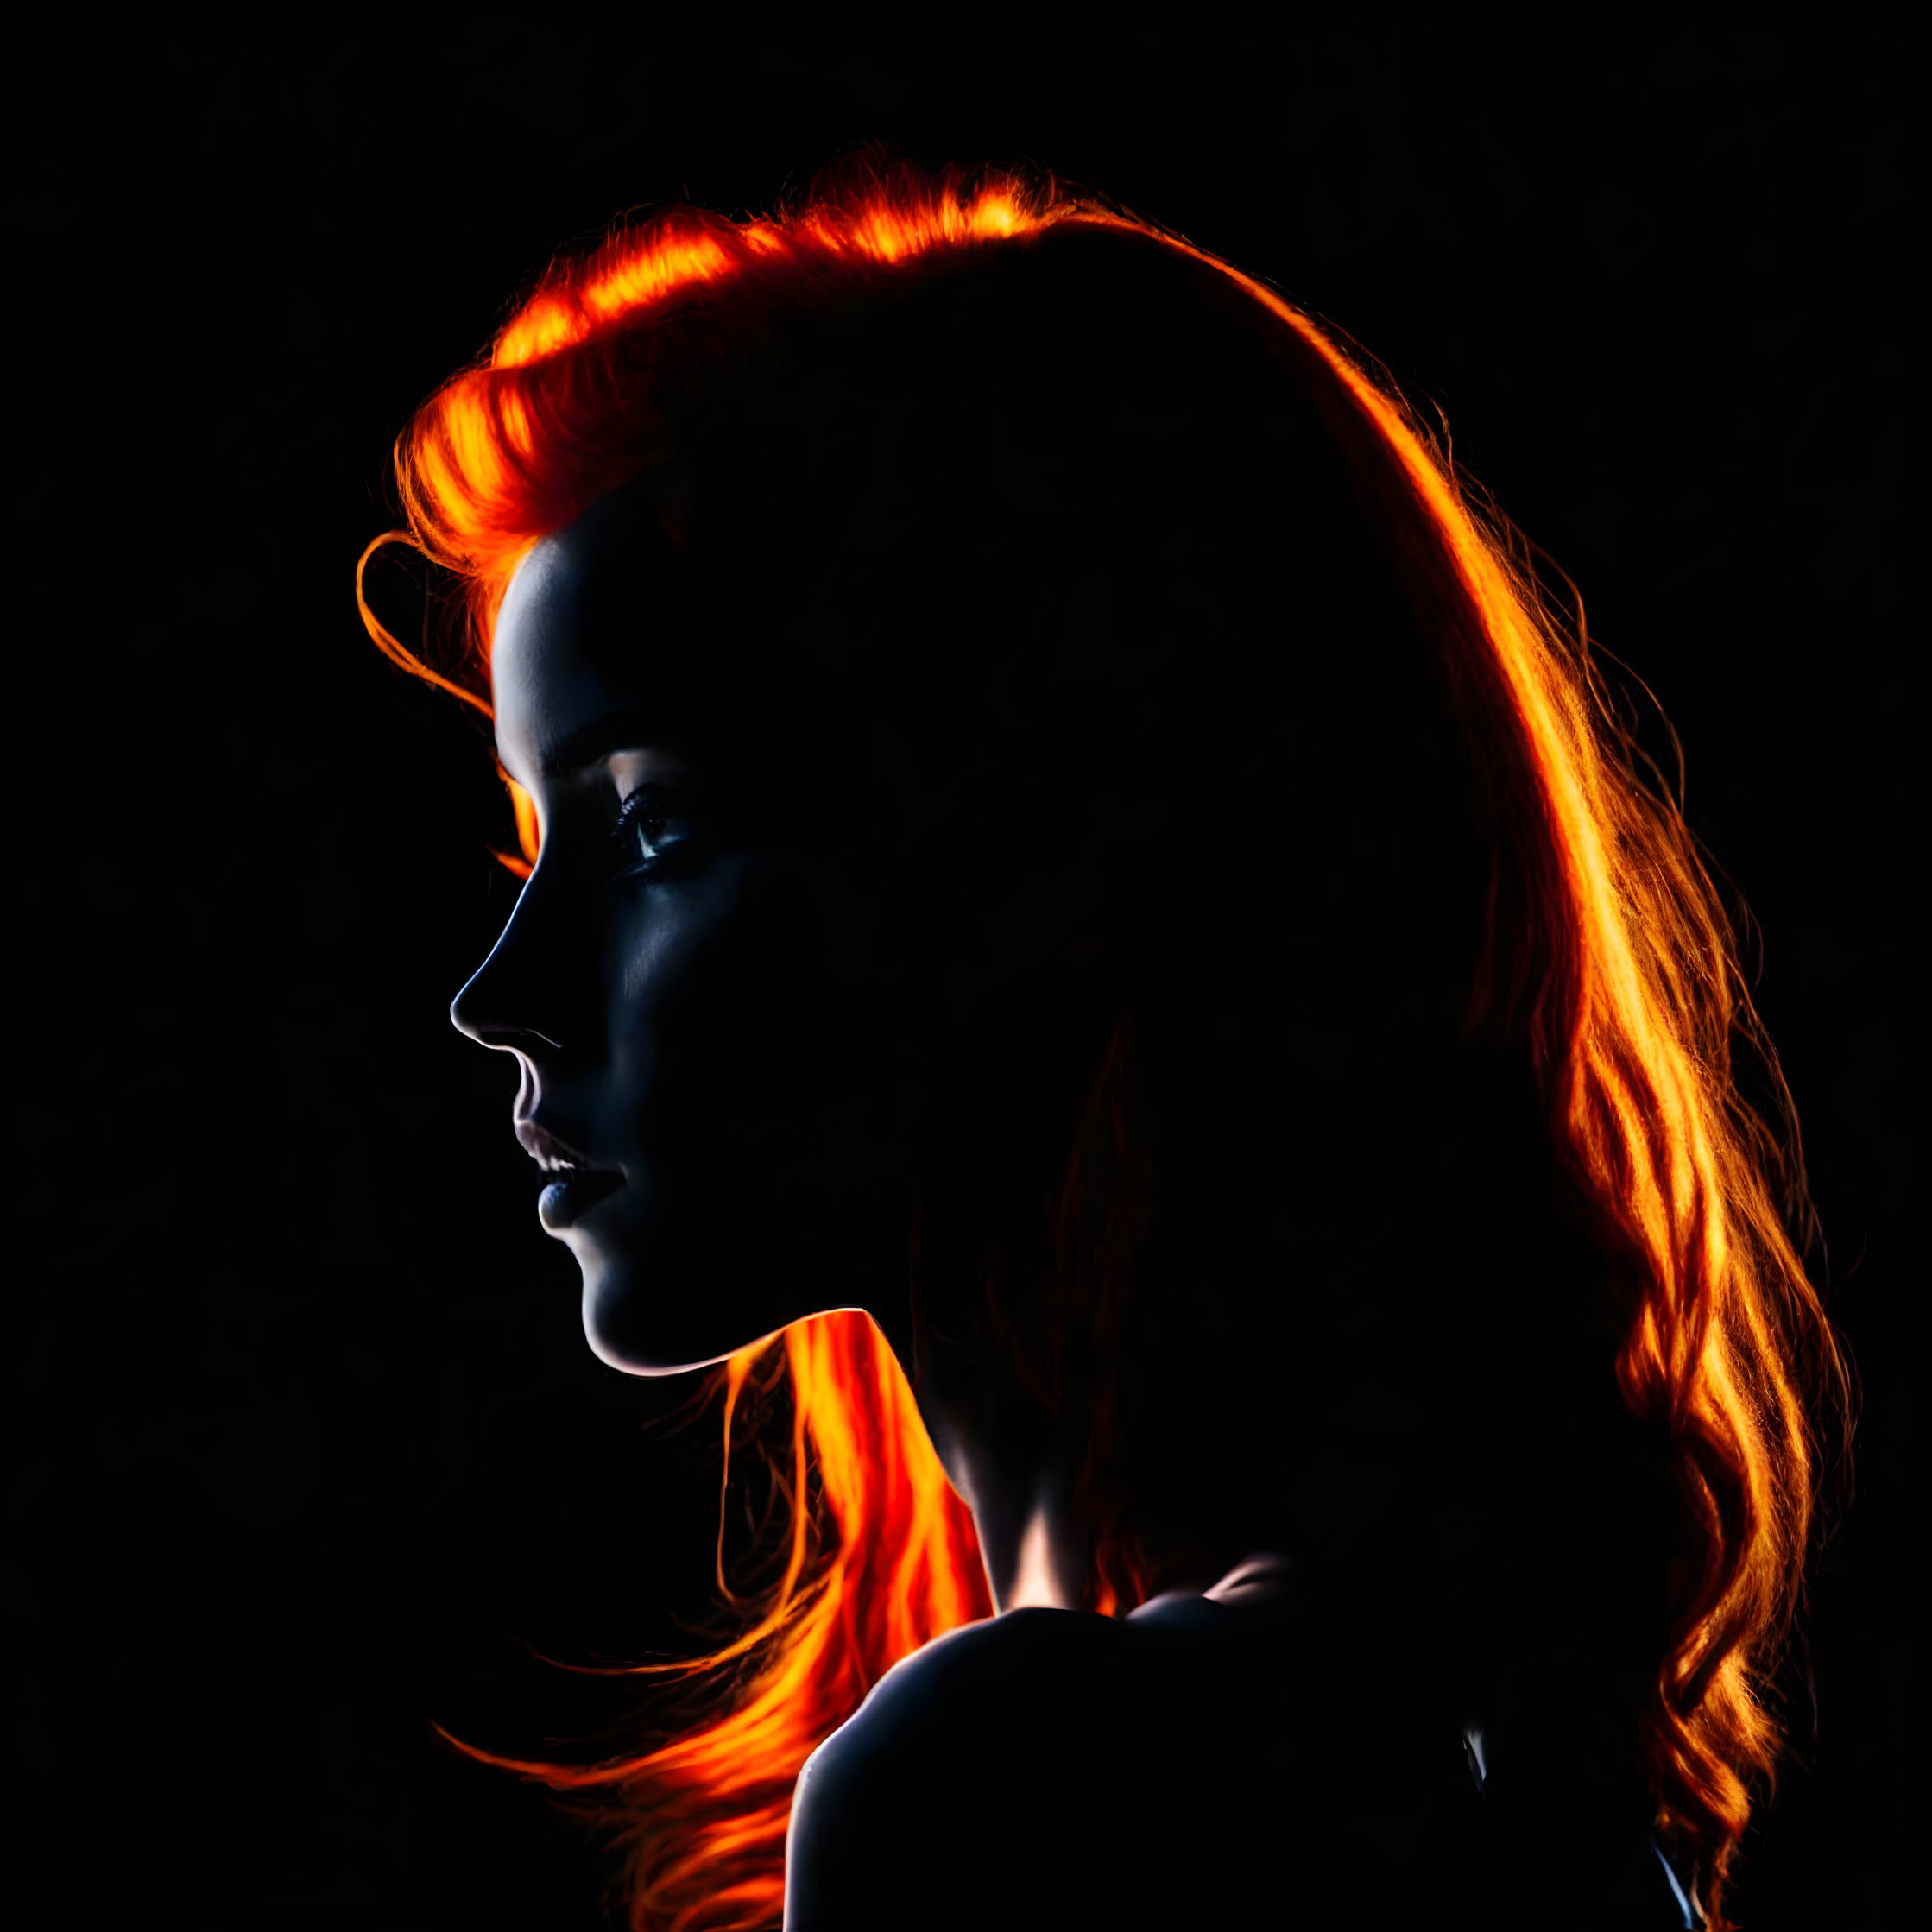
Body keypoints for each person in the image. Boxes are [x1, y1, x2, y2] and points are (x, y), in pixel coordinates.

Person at [359, 156, 1847, 1930]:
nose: (498, 990)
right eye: (541, 844)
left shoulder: (1036, 1788)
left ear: (1047, 851)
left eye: (657, 828)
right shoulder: (1437, 1748)